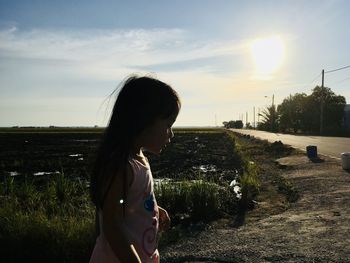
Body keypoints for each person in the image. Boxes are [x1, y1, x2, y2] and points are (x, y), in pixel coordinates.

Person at [89, 75, 181, 263]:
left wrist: (154, 209)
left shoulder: (139, 160)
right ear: (144, 120)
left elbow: (131, 203)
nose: (171, 133)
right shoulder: (121, 166)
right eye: (168, 125)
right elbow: (112, 223)